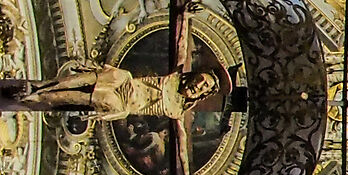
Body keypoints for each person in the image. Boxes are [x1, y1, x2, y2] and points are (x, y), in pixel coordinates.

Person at [18, 65, 219, 122]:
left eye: (204, 88)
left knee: (80, 97)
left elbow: (182, 151)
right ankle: (41, 85)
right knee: (81, 80)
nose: (199, 85)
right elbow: (181, 38)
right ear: (194, 75)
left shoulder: (177, 112)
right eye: (201, 80)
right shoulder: (176, 74)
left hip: (123, 103)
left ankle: (40, 97)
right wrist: (185, 13)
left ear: (203, 96)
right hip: (125, 80)